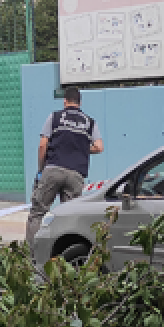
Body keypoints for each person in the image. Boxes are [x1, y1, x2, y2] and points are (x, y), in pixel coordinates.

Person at [26, 86, 104, 247]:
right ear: (80, 102)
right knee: (70, 216)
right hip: (76, 174)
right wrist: (80, 149)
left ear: (65, 101)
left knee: (38, 213)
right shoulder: (90, 122)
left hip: (53, 169)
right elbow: (99, 147)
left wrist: (41, 169)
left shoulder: (54, 117)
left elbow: (42, 145)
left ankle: (32, 255)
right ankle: (65, 255)